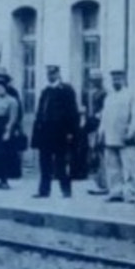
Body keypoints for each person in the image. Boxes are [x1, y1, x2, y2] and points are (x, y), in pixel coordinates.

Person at [32, 65, 80, 198]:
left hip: (60, 133)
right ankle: (44, 191)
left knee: (60, 163)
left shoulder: (66, 90)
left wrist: (71, 132)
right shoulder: (45, 91)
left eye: (53, 74)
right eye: (48, 74)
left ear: (58, 74)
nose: (50, 76)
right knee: (44, 163)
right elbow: (40, 112)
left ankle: (66, 190)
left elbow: (72, 112)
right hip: (45, 133)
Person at [98, 69, 135, 202]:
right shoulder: (109, 97)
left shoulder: (130, 95)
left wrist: (131, 132)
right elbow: (104, 117)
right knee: (112, 166)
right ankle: (116, 192)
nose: (116, 81)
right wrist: (101, 133)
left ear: (124, 79)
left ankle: (130, 193)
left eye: (118, 78)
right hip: (110, 135)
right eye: (114, 79)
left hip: (125, 136)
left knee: (129, 166)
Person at [78, 69, 107, 192]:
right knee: (87, 149)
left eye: (97, 80)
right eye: (92, 79)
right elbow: (84, 107)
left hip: (98, 123)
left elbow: (105, 109)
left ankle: (102, 181)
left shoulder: (104, 93)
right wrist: (83, 118)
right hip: (89, 123)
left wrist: (99, 116)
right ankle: (89, 175)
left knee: (98, 150)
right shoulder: (86, 92)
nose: (94, 82)